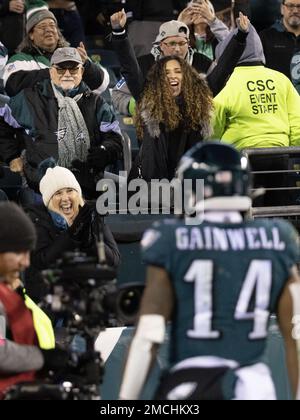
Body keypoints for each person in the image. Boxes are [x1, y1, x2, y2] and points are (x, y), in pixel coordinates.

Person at [118, 142, 300, 400]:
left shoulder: (172, 238)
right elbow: (296, 330)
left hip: (191, 385)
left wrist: (124, 402)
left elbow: (149, 334)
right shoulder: (278, 237)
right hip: (254, 388)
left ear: (192, 189)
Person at [4, 47, 123, 196]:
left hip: (86, 187)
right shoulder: (29, 98)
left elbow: (114, 137)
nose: (67, 74)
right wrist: (12, 156)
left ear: (82, 72)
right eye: (61, 69)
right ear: (51, 71)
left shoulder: (96, 103)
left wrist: (105, 152)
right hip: (41, 187)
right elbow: (2, 124)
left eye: (73, 69)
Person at [111, 9, 249, 116]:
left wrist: (240, 37)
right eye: (171, 43)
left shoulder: (202, 63)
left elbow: (222, 75)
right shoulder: (144, 64)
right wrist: (139, 106)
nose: (177, 49)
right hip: (155, 142)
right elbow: (118, 94)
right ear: (160, 45)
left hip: (191, 136)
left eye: (182, 43)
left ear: (188, 43)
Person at [0, 202, 69, 399]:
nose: (26, 262)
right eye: (18, 252)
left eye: (28, 252)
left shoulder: (11, 291)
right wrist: (44, 358)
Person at [25, 166, 120, 301]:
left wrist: (90, 240)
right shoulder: (37, 220)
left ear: (78, 194)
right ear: (49, 200)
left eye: (70, 191)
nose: (65, 198)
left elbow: (113, 261)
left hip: (89, 297)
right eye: (58, 193)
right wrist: (73, 233)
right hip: (51, 299)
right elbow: (42, 261)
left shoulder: (91, 215)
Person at [212, 24, 300, 149]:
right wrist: (293, 154)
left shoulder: (226, 84)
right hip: (281, 153)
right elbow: (298, 121)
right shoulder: (281, 79)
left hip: (240, 156)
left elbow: (213, 126)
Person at [2, 3, 109, 97]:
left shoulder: (73, 55)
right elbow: (12, 85)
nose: (48, 29)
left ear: (58, 33)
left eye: (52, 26)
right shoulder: (21, 59)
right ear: (31, 35)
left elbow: (102, 84)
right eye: (42, 27)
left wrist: (86, 65)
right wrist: (54, 73)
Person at [260, 0, 300, 94]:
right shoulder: (265, 37)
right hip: (277, 101)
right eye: (290, 6)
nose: (295, 10)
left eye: (299, 6)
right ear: (282, 9)